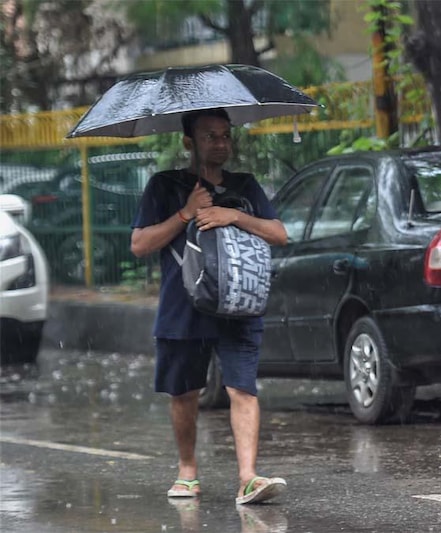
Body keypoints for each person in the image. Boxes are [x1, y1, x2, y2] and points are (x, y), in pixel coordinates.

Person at [130, 108, 290, 504]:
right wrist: (185, 212)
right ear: (189, 141)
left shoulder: (245, 186)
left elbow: (278, 234)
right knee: (184, 392)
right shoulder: (164, 185)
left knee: (242, 388)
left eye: (225, 135)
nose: (220, 143)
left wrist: (232, 214)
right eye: (210, 136)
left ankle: (248, 477)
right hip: (183, 306)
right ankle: (187, 470)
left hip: (239, 304)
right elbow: (140, 244)